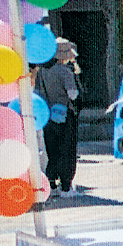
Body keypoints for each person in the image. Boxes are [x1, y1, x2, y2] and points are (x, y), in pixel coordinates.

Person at [37, 38, 81, 194]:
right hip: (65, 114)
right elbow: (73, 94)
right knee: (67, 149)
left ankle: (52, 182)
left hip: (47, 114)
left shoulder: (42, 71)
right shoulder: (64, 71)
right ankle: (66, 185)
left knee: (52, 149)